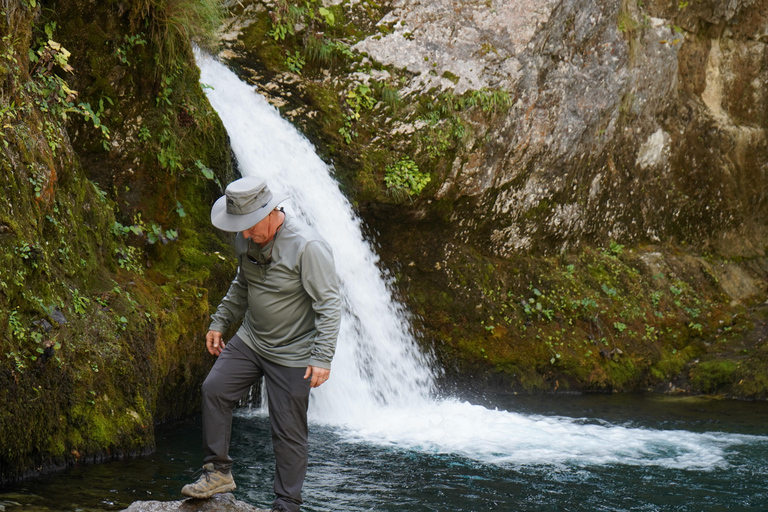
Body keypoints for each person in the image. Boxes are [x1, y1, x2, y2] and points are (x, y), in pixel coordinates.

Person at [181, 176, 341, 512]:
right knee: (214, 390)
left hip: (294, 352)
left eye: (251, 226)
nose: (246, 235)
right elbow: (242, 283)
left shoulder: (308, 247)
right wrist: (220, 321)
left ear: (272, 212)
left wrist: (322, 357)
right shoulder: (247, 237)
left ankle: (286, 504)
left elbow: (329, 305)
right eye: (240, 228)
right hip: (252, 339)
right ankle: (218, 473)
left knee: (288, 433)